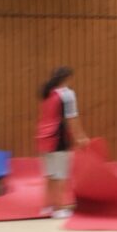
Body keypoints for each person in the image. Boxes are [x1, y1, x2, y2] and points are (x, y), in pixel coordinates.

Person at [36, 66, 89, 219]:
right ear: (68, 78)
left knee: (50, 174)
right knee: (61, 174)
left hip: (43, 137)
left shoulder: (47, 92)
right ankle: (59, 209)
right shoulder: (67, 94)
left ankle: (47, 206)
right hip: (57, 137)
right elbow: (72, 118)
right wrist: (80, 137)